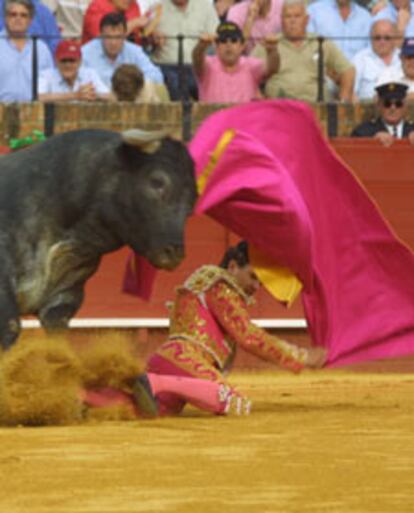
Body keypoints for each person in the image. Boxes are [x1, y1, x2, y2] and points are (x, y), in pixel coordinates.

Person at [143, 241, 327, 416]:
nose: (256, 286)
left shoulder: (210, 284)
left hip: (170, 361)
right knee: (230, 401)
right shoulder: (221, 286)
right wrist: (300, 356)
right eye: (253, 276)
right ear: (232, 267)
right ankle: (154, 381)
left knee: (145, 410)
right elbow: (248, 336)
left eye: (260, 283)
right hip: (184, 360)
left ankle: (141, 381)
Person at [255, 0, 355, 103]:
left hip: (316, 109)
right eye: (288, 16)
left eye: (297, 16)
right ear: (281, 20)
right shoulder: (270, 43)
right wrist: (260, 100)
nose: (292, 21)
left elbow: (348, 70)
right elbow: (248, 74)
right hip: (279, 108)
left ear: (306, 20)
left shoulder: (320, 42)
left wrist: (344, 100)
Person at [192, 21, 279, 102]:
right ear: (216, 46)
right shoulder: (208, 65)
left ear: (241, 46)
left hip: (244, 117)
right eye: (223, 40)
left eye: (233, 40)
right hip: (215, 116)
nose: (228, 44)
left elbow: (272, 69)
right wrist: (201, 46)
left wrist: (272, 51)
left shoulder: (250, 65)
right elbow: (197, 59)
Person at [151, 0, 219, 100]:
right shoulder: (156, 8)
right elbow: (145, 38)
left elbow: (217, 37)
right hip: (166, 65)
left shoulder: (205, 7)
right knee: (175, 84)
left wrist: (207, 40)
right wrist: (152, 38)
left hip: (197, 66)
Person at [82, 12, 164, 89]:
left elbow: (157, 77)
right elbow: (77, 82)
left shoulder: (134, 51)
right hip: (96, 101)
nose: (113, 43)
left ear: (125, 35)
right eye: (108, 37)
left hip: (129, 99)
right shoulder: (86, 52)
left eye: (118, 37)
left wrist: (133, 87)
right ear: (101, 35)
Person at [0, 0, 53, 102]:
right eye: (13, 14)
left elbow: (50, 85)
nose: (18, 18)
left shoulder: (42, 49)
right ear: (6, 18)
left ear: (30, 20)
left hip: (34, 113)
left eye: (23, 15)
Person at [38, 39, 112, 102]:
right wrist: (75, 95)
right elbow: (38, 97)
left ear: (80, 61)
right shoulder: (46, 75)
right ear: (56, 61)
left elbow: (110, 97)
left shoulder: (89, 74)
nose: (68, 65)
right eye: (64, 60)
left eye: (72, 60)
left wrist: (92, 94)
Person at [351, 79, 414, 145]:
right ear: (379, 105)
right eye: (387, 104)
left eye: (398, 104)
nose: (393, 108)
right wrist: (372, 141)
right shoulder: (364, 131)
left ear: (405, 106)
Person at [352, 19, 401, 100]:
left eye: (387, 38)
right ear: (371, 38)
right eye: (377, 38)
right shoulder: (360, 59)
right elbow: (351, 92)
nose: (382, 42)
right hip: (369, 108)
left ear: (395, 39)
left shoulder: (405, 58)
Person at [307, 0, 372, 60]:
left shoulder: (366, 17)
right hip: (322, 69)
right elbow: (308, 48)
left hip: (357, 70)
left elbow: (370, 54)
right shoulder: (314, 11)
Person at [81, 0, 148, 45]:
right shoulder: (96, 8)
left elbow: (136, 38)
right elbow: (107, 39)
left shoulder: (133, 6)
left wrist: (148, 39)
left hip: (130, 59)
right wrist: (133, 23)